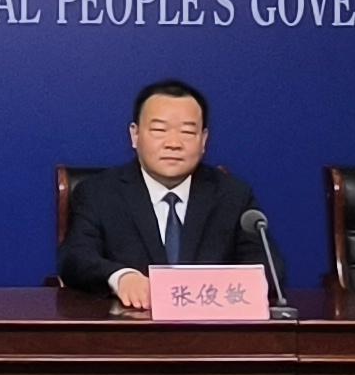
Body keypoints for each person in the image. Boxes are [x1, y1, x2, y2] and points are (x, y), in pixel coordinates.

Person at [55, 78, 266, 311]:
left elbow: (267, 266)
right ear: (135, 135)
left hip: (210, 327)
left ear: (204, 140)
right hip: (129, 326)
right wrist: (120, 277)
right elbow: (75, 258)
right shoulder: (98, 193)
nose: (173, 143)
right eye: (159, 130)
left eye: (187, 132)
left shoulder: (233, 195)